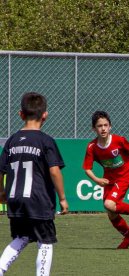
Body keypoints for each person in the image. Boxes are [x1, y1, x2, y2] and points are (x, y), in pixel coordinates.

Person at [0, 92, 69, 276]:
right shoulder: (46, 141)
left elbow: (1, 171)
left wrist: (2, 193)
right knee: (45, 242)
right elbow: (54, 171)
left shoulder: (11, 141)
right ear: (45, 115)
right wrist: (62, 198)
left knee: (20, 238)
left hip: (16, 200)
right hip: (38, 201)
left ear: (20, 114)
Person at [82, 111, 129, 249]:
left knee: (109, 204)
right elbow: (87, 168)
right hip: (109, 179)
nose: (103, 128)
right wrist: (97, 180)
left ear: (110, 127)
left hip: (124, 176)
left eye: (105, 125)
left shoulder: (118, 140)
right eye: (99, 126)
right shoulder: (92, 147)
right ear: (93, 129)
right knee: (111, 212)